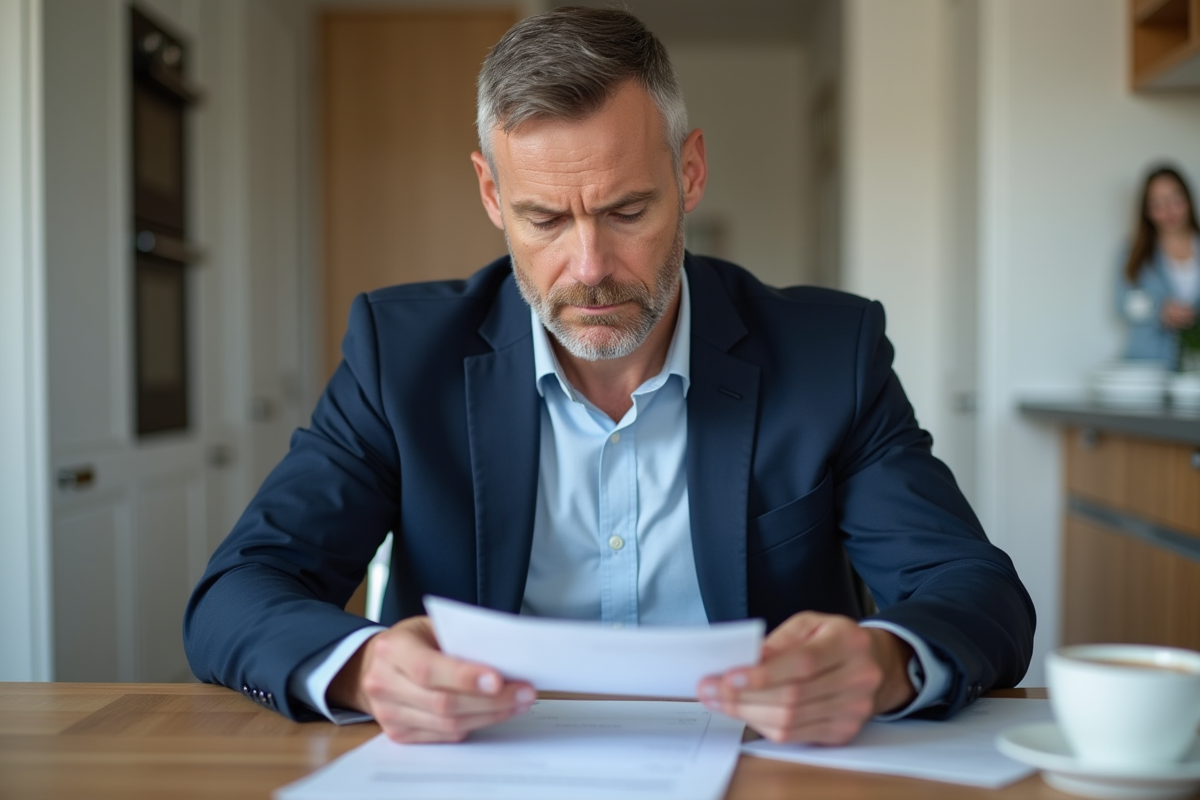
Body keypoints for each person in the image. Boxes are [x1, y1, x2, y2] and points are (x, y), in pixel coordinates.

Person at [184, 7, 1034, 747]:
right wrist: (364, 668)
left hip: (763, 767)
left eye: (627, 212)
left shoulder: (828, 353)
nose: (589, 268)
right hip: (482, 767)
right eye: (544, 218)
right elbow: (240, 590)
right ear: (491, 193)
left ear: (689, 172)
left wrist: (886, 661)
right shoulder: (400, 356)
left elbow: (976, 591)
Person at [1117, 165, 1200, 367]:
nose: (1169, 210)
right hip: (1148, 363)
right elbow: (1122, 303)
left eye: (1175, 199)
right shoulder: (1134, 252)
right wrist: (1159, 311)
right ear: (1146, 210)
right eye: (1158, 204)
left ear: (1187, 198)